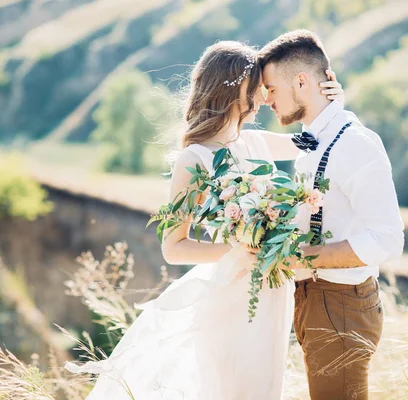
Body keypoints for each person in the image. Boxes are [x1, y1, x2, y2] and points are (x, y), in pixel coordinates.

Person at [66, 40, 344, 400]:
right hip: (230, 294)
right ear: (230, 89)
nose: (263, 98)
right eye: (255, 88)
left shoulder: (255, 143)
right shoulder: (193, 159)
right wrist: (238, 251)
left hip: (273, 293)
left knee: (264, 387)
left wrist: (333, 103)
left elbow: (315, 140)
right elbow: (173, 247)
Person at [257, 29, 405, 399]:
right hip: (319, 299)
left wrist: (299, 257)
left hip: (339, 302)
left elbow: (388, 238)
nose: (266, 100)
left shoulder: (353, 143)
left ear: (302, 81)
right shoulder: (316, 139)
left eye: (271, 88)